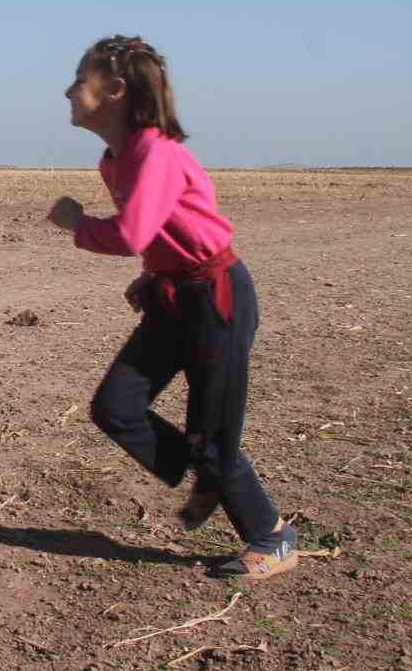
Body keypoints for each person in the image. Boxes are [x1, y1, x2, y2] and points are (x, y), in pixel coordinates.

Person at [46, 36, 297, 579]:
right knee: (116, 408)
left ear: (114, 91)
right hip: (172, 295)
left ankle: (271, 536)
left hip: (215, 299)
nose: (67, 90)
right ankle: (212, 468)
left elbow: (134, 231)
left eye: (78, 79)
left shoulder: (155, 152)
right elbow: (165, 230)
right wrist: (153, 275)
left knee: (212, 436)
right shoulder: (117, 157)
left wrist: (76, 223)